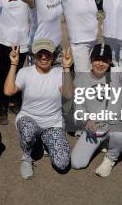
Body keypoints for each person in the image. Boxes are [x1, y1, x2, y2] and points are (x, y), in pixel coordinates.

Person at [4, 38, 73, 179]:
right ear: (33, 55)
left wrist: (66, 68)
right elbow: (8, 91)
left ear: (53, 55)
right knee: (29, 132)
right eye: (39, 53)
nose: (43, 57)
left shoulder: (59, 72)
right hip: (28, 119)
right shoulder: (25, 72)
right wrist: (13, 63)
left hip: (52, 124)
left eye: (47, 53)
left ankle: (43, 140)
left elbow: (68, 94)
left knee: (62, 164)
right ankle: (27, 156)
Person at [69, 43, 122, 177]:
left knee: (120, 134)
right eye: (97, 59)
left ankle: (110, 158)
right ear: (91, 60)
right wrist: (86, 121)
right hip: (95, 127)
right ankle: (104, 141)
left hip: (114, 123)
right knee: (77, 163)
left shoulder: (117, 74)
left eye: (105, 60)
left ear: (110, 62)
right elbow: (78, 108)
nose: (100, 63)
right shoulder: (81, 79)